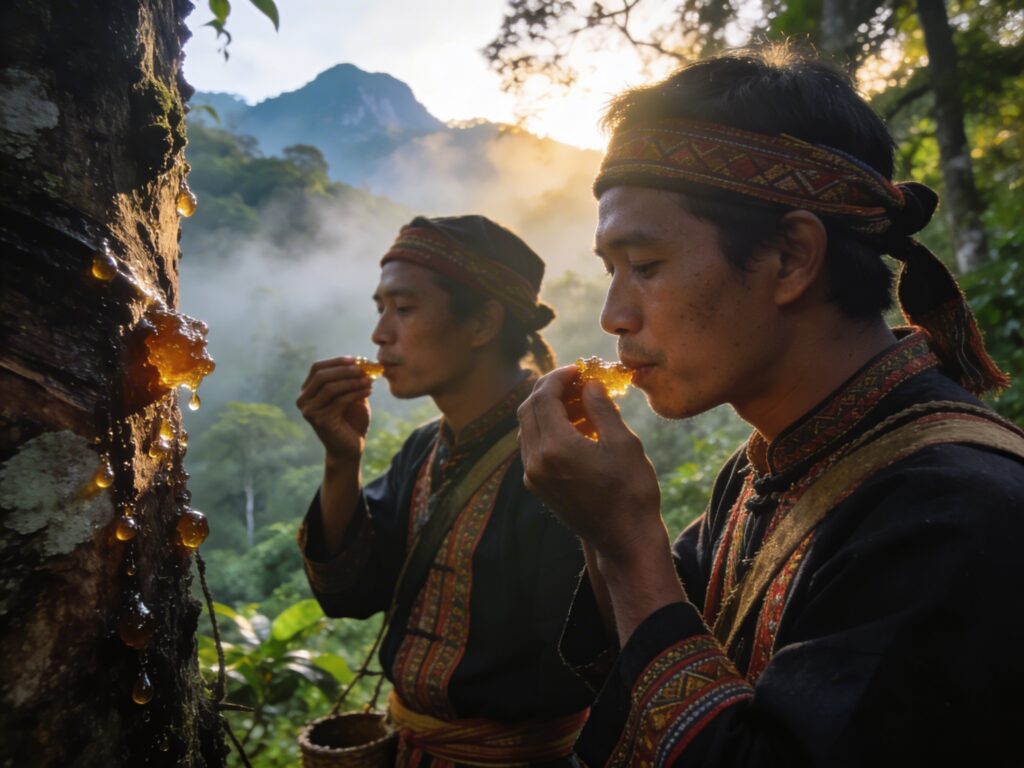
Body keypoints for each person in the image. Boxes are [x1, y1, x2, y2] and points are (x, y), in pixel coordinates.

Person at [516, 45, 1024, 767]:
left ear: (790, 257)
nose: (613, 316)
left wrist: (627, 541)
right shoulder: (764, 468)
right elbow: (651, 656)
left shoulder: (958, 514)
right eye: (611, 271)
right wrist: (603, 530)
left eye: (647, 266)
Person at [296, 215, 592, 767]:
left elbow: (587, 666)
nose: (381, 333)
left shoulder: (559, 459)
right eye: (379, 308)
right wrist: (343, 458)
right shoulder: (423, 448)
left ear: (481, 324)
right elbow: (347, 595)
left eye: (404, 309)